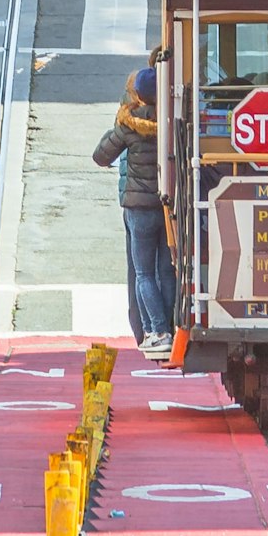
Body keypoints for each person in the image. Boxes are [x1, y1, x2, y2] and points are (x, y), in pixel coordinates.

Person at [93, 63, 178, 356]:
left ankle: (157, 330)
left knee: (143, 273)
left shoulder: (129, 125)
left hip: (137, 208)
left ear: (138, 95)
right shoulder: (172, 121)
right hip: (167, 205)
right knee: (167, 271)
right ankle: (170, 326)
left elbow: (101, 156)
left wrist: (120, 123)